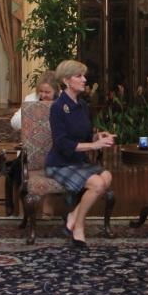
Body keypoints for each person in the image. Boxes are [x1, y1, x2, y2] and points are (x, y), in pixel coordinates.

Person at [46, 60, 114, 248]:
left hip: (78, 162)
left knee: (107, 175)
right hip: (60, 163)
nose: (84, 79)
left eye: (83, 75)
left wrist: (97, 137)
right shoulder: (58, 107)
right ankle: (79, 227)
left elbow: (84, 136)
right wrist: (94, 146)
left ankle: (73, 215)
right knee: (98, 184)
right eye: (79, 76)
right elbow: (62, 144)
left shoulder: (82, 105)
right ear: (67, 81)